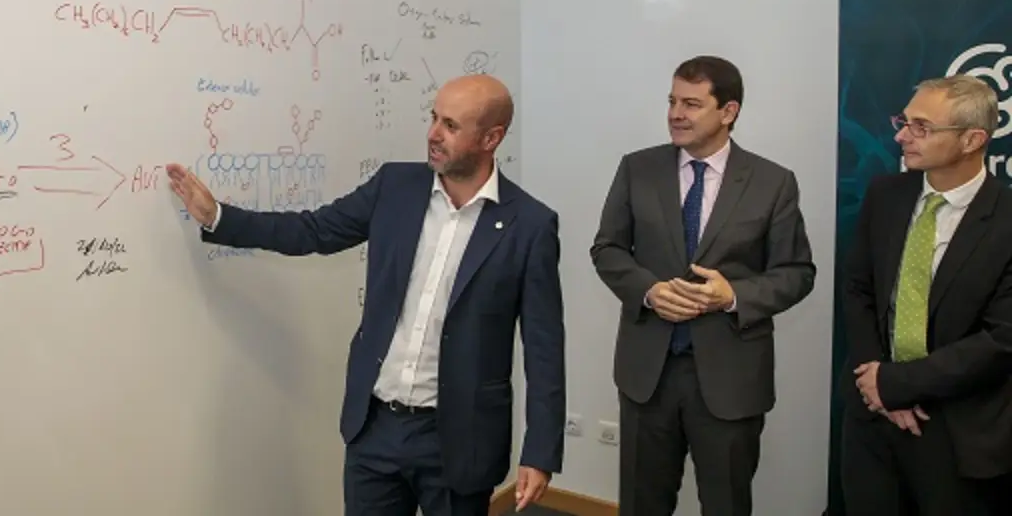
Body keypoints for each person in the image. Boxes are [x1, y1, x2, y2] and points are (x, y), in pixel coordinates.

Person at [165, 74, 565, 516]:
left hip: (459, 438)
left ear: (491, 138)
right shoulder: (395, 186)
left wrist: (540, 451)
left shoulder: (529, 225)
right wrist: (219, 217)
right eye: (433, 118)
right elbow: (313, 230)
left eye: (451, 125)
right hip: (375, 429)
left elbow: (544, 347)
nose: (433, 134)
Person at [590, 55, 816, 516]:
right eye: (672, 101)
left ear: (728, 111)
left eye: (691, 104)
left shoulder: (773, 182)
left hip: (731, 378)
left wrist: (733, 296)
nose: (676, 113)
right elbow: (607, 249)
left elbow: (796, 272)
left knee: (726, 504)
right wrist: (649, 290)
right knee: (641, 504)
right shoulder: (638, 169)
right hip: (647, 376)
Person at [839, 74, 1012, 516]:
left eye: (922, 127)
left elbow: (1001, 339)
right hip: (872, 420)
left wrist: (898, 385)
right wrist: (876, 383)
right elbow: (858, 288)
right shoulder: (885, 195)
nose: (902, 136)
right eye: (904, 121)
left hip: (959, 432)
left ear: (972, 140)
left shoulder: (1006, 220)